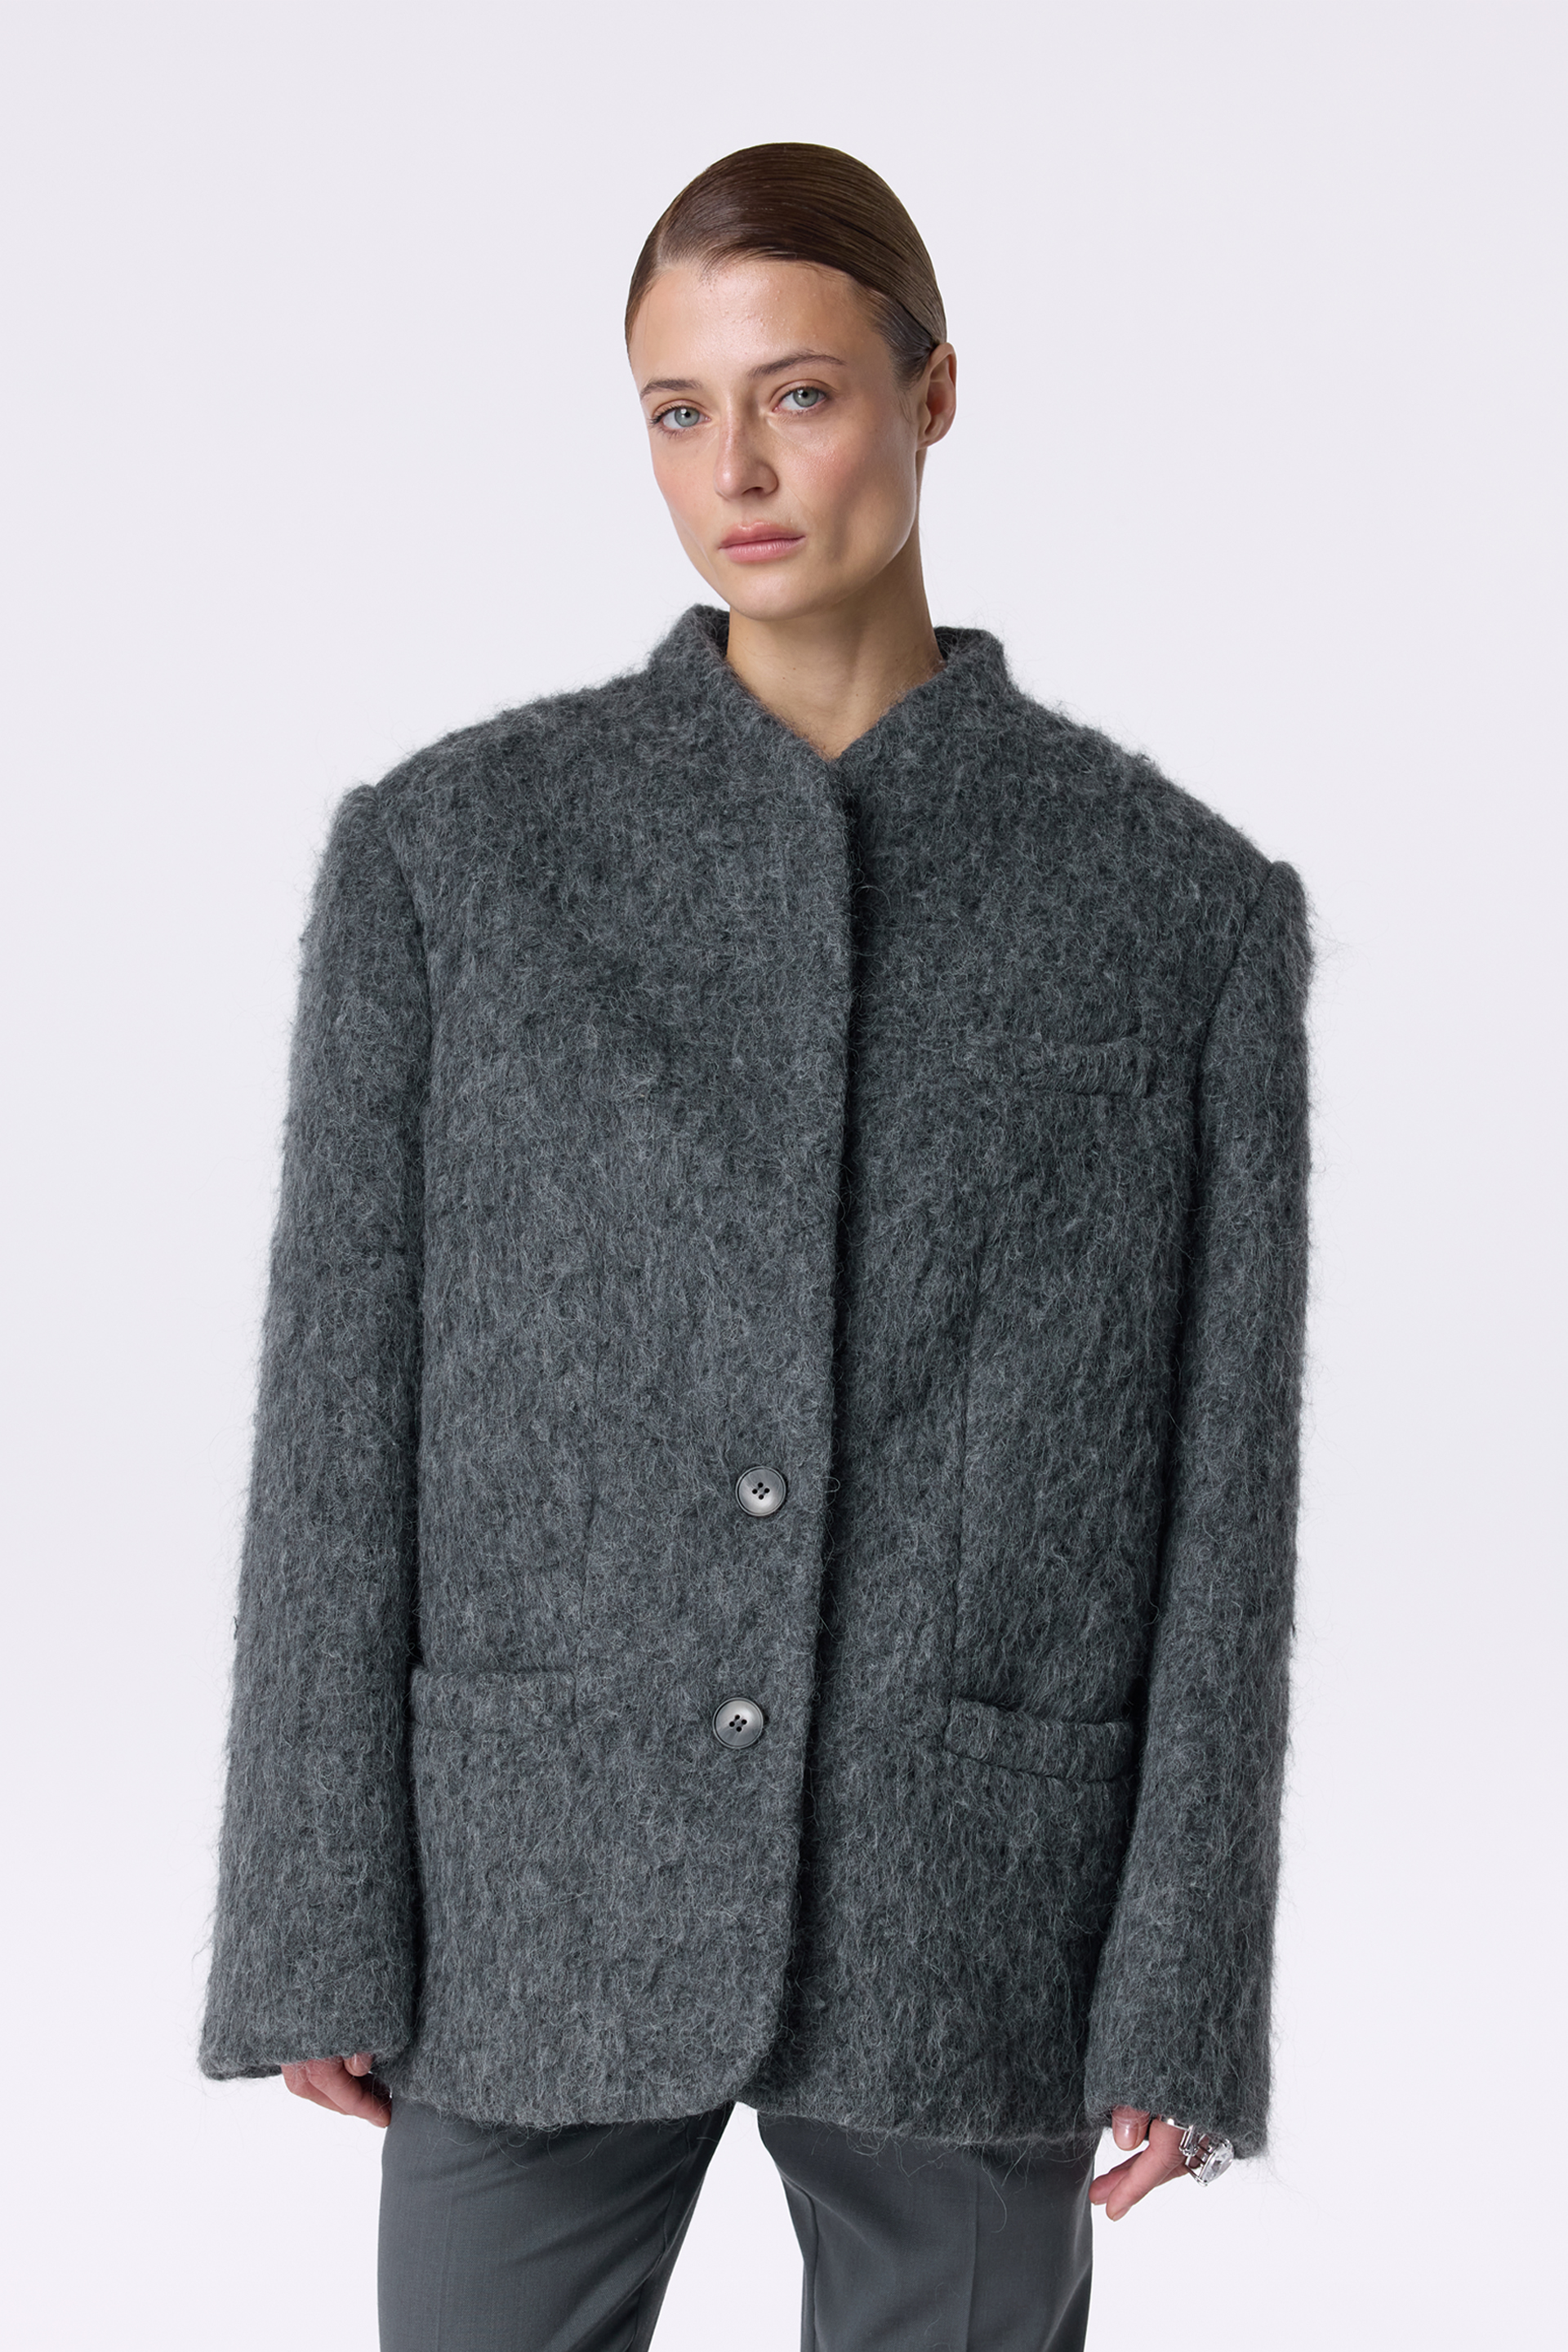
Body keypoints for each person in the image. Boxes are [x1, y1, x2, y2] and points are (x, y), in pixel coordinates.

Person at [200, 143, 1312, 2352]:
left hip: (971, 1894)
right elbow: (338, 1416)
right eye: (677, 411)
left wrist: (1186, 1976)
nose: (738, 472)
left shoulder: (1171, 908)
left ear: (933, 392)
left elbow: (1224, 1497)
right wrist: (311, 1913)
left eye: (799, 394)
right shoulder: (457, 859)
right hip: (536, 1877)